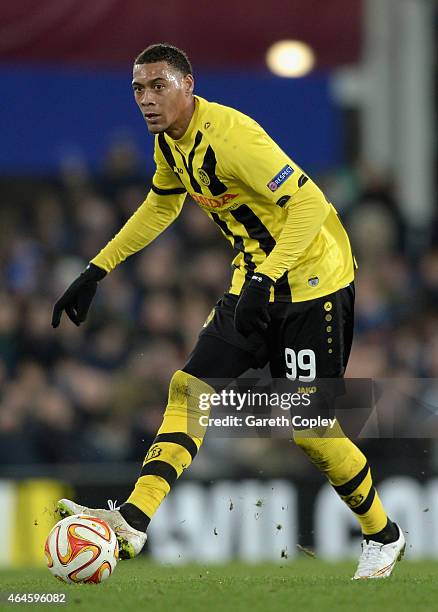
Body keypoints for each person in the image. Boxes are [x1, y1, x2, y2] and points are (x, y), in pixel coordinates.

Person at [52, 43, 405, 579]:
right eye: (139, 89)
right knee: (188, 390)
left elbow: (311, 202)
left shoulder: (234, 137)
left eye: (158, 86)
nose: (147, 99)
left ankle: (384, 534)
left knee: (310, 428)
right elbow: (162, 203)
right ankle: (133, 518)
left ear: (188, 85)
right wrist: (97, 268)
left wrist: (268, 276)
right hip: (255, 281)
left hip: (315, 283)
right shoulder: (170, 144)